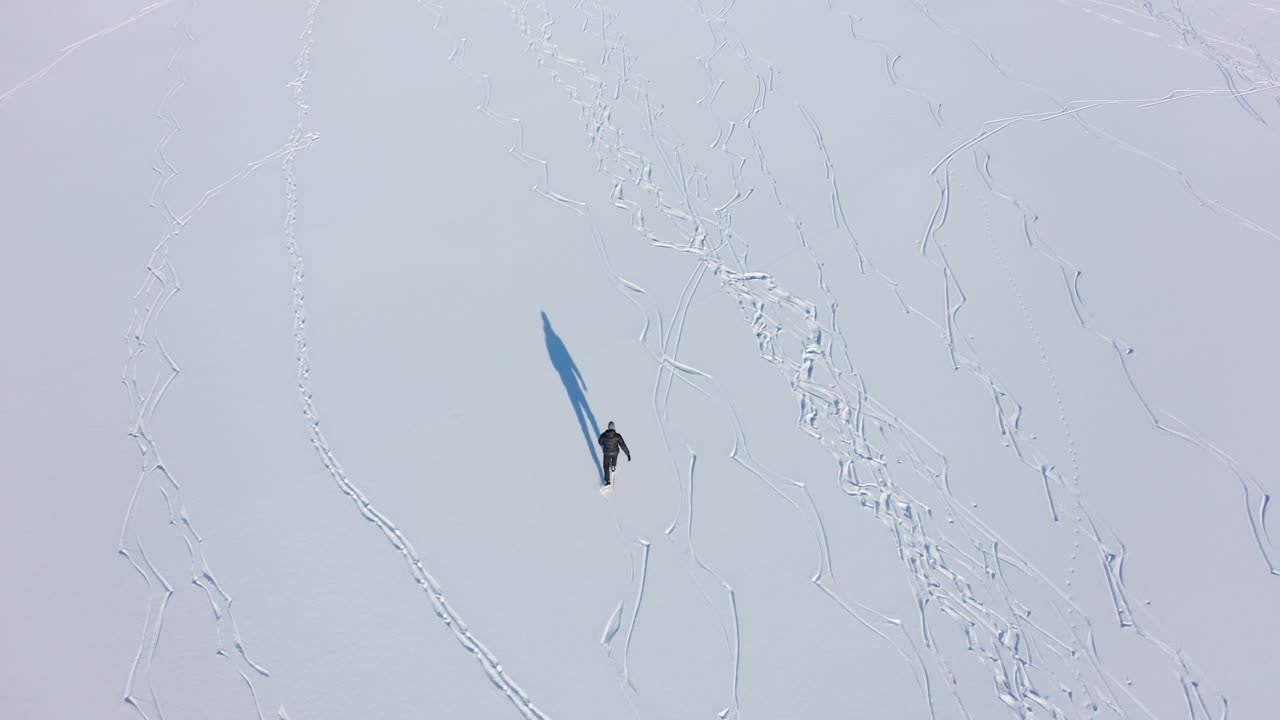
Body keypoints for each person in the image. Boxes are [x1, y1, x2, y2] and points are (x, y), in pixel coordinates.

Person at [597, 421, 631, 486]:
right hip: (615, 452)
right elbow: (622, 445)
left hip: (607, 453)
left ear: (608, 427)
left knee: (606, 466)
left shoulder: (603, 435)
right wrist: (627, 454)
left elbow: (600, 442)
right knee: (614, 459)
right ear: (614, 427)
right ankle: (613, 467)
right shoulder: (617, 436)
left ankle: (607, 481)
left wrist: (604, 443)